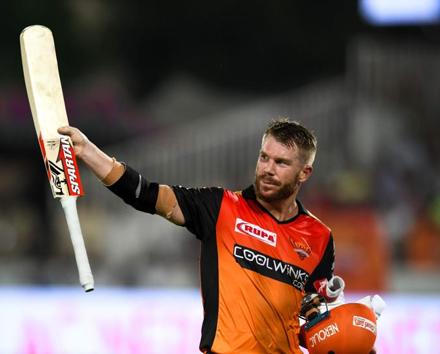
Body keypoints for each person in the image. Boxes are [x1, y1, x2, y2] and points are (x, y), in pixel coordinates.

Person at [58, 118, 345, 353]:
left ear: (304, 173)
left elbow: (312, 319)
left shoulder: (320, 237)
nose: (267, 169)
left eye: (281, 163)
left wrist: (347, 340)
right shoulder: (219, 207)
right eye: (264, 158)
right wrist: (87, 151)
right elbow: (145, 194)